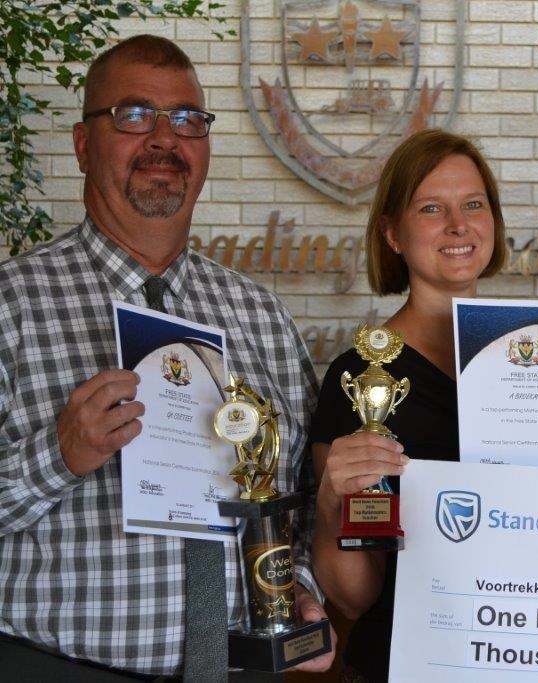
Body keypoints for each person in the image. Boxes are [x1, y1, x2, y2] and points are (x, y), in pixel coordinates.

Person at [0, 35, 332, 679]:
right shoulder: (11, 304)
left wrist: (299, 586)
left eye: (186, 119)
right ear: (83, 145)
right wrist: (58, 455)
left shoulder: (262, 317)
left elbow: (302, 498)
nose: (163, 138)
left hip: (240, 670)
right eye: (133, 115)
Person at [310, 129, 538, 682]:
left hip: (529, 651)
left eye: (474, 205)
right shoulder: (357, 379)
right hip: (408, 662)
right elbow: (354, 599)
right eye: (431, 208)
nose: (459, 225)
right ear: (392, 234)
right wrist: (332, 502)